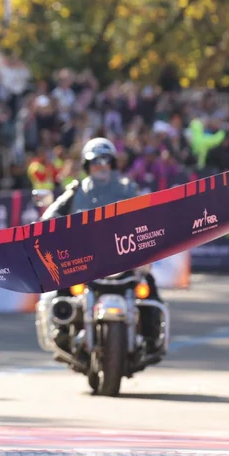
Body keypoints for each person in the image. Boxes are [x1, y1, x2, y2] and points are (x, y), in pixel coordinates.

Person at [40, 137, 163, 346]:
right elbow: (51, 214)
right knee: (64, 281)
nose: (101, 166)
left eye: (106, 161)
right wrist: (48, 224)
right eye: (96, 161)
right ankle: (61, 328)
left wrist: (152, 220)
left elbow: (146, 211)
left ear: (113, 164)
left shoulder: (127, 188)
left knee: (146, 281)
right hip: (86, 254)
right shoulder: (76, 190)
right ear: (87, 165)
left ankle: (153, 335)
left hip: (122, 253)